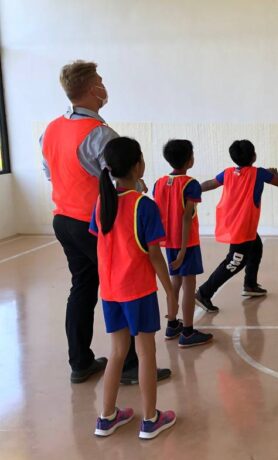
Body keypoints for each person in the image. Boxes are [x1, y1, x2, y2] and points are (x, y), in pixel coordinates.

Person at [40, 60, 169, 384]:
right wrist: (141, 195)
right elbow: (121, 181)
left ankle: (81, 362)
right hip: (94, 223)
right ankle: (129, 366)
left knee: (82, 287)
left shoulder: (51, 129)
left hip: (63, 219)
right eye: (100, 80)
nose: (103, 85)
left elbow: (48, 172)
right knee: (122, 286)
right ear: (91, 89)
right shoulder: (99, 134)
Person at [91, 137, 177, 440]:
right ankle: (151, 419)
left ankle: (106, 417)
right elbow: (155, 255)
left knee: (116, 353)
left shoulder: (102, 202)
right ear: (138, 165)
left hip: (111, 292)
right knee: (146, 353)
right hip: (138, 291)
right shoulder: (144, 206)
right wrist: (170, 291)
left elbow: (101, 239)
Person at [195, 140, 278, 312]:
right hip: (241, 228)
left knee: (256, 248)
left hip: (238, 224)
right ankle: (204, 293)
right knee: (234, 263)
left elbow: (210, 184)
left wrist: (193, 189)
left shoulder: (228, 172)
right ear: (254, 156)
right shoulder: (259, 173)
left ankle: (250, 285)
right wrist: (275, 174)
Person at [153, 139, 213, 347]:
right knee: (189, 285)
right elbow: (187, 218)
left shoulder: (159, 183)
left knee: (175, 282)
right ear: (189, 160)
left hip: (168, 241)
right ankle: (187, 331)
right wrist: (183, 251)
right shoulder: (191, 184)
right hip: (186, 243)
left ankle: (172, 323)